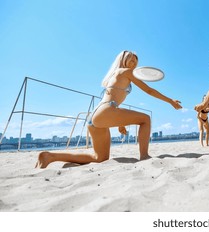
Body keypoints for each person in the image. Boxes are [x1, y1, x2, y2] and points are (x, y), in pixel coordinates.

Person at [35, 50, 182, 168]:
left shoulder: (115, 74)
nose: (134, 62)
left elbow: (112, 100)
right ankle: (144, 156)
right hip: (105, 111)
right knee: (145, 119)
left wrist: (120, 122)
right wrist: (170, 101)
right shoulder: (126, 72)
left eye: (135, 60)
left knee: (99, 158)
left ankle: (50, 156)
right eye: (130, 58)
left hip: (95, 116)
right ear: (122, 60)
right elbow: (149, 91)